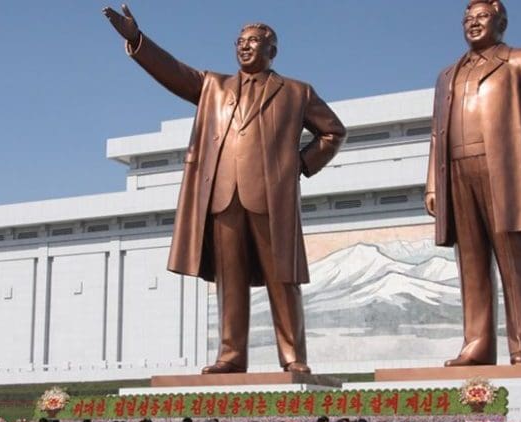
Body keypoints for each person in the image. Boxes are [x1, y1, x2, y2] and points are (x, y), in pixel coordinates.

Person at [103, 4, 346, 374]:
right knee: (229, 280)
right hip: (222, 196)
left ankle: (293, 356)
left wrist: (298, 164)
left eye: (254, 42)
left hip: (270, 197)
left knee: (283, 277)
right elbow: (173, 71)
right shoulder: (213, 87)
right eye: (240, 42)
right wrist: (138, 40)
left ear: (272, 50)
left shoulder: (297, 92)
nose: (245, 47)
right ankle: (231, 355)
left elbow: (333, 132)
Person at [425, 0, 521, 366]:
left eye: (482, 17)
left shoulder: (520, 59)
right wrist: (432, 183)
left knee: (515, 258)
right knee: (472, 262)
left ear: (501, 22)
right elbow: (436, 133)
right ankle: (476, 344)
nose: (473, 24)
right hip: (457, 170)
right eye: (468, 18)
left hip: (503, 169)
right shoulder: (448, 74)